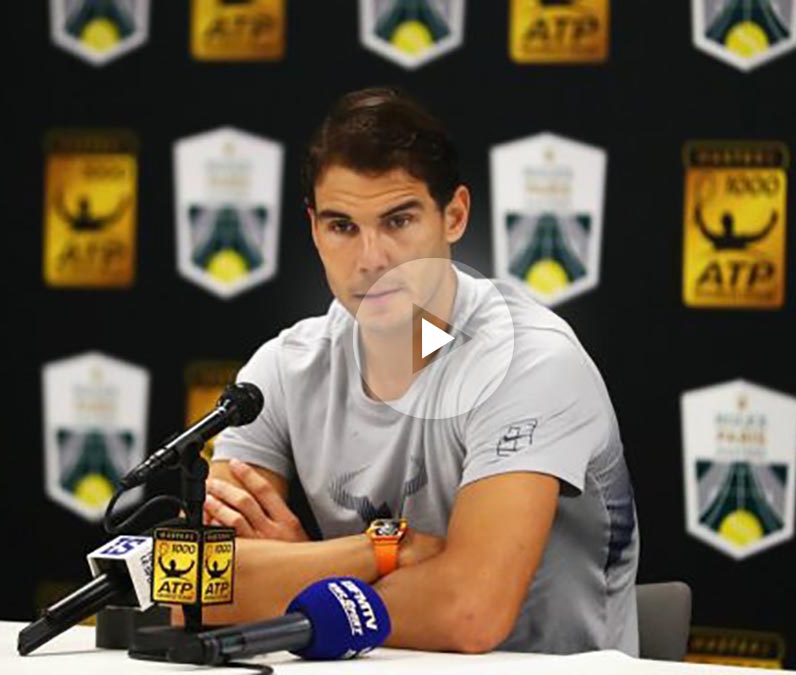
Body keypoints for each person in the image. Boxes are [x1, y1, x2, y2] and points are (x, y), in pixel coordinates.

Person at [194, 87, 639, 655]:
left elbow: (468, 612)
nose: (371, 259)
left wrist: (291, 566)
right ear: (313, 228)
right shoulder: (284, 369)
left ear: (453, 216)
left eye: (398, 220)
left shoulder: (528, 361)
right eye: (342, 226)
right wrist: (383, 551)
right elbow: (195, 590)